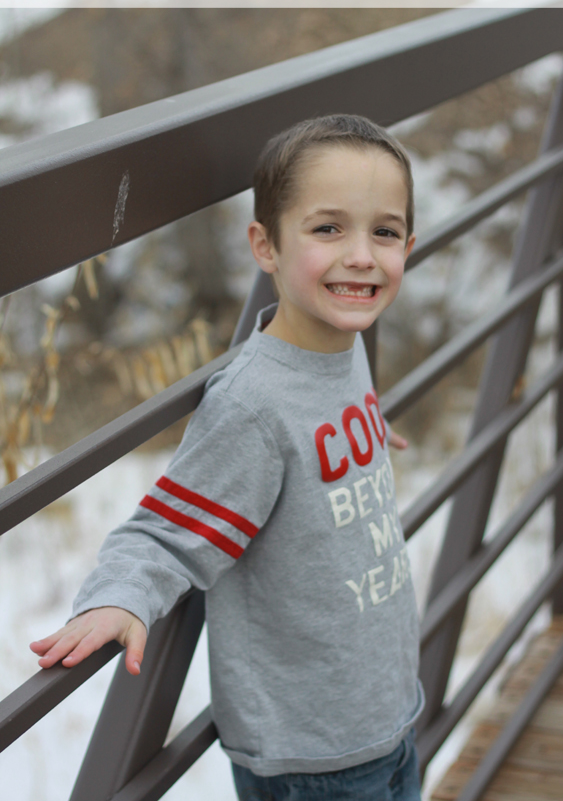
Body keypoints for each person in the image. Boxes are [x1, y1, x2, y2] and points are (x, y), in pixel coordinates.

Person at [30, 114, 423, 801]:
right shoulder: (251, 407)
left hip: (386, 715)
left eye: (384, 231)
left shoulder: (343, 340)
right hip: (311, 752)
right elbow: (163, 534)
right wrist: (120, 598)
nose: (362, 255)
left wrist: (364, 427)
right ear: (264, 246)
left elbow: (319, 413)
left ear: (408, 245)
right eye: (328, 228)